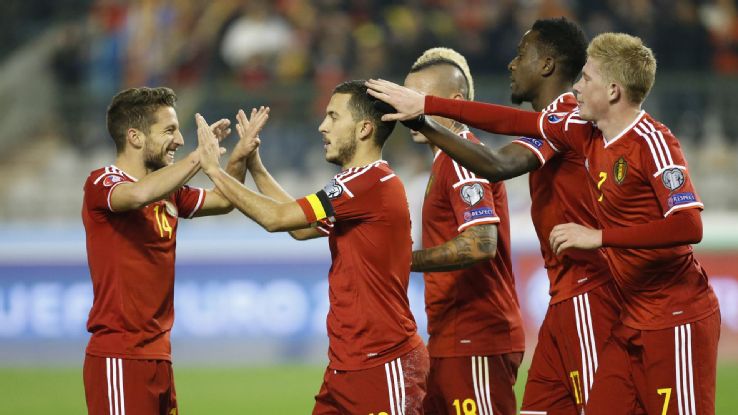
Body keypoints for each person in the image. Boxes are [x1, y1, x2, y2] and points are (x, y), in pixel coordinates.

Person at [367, 32, 720, 415]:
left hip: (644, 304)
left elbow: (689, 227)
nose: (577, 87)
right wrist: (426, 107)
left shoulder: (639, 137)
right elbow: (511, 120)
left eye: (587, 78)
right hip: (602, 304)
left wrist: (599, 237)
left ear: (612, 90)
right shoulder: (582, 132)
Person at [195, 80, 428, 415]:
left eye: (334, 116)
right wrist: (255, 165)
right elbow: (301, 228)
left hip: (383, 364)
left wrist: (214, 171)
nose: (322, 126)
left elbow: (276, 218)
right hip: (346, 367)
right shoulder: (360, 186)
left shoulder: (365, 183)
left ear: (364, 129)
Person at [81, 86, 268, 415]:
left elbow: (224, 201)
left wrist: (238, 156)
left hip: (159, 356)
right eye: (169, 131)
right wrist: (199, 156)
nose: (180, 140)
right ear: (135, 137)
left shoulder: (170, 191)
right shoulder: (102, 182)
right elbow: (137, 195)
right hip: (119, 356)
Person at [400, 47, 525, 415]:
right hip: (453, 335)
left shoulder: (462, 160)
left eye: (419, 99)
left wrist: (401, 261)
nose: (407, 109)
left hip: (477, 335)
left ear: (454, 103)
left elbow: (480, 243)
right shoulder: (446, 161)